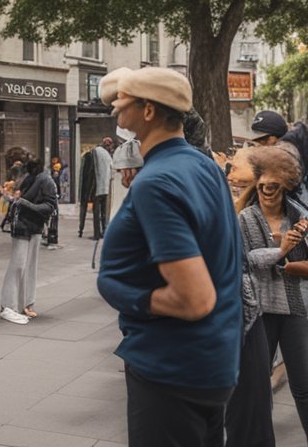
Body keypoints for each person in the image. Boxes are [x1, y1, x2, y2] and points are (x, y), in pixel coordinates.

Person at [96, 67, 241, 447]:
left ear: (148, 111)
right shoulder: (205, 166)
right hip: (211, 362)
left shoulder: (157, 181)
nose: (114, 109)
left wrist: (126, 295)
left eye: (122, 102)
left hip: (171, 366)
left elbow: (194, 299)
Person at [237, 145, 308, 438]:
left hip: (296, 310)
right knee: (255, 388)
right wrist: (281, 250)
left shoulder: (301, 217)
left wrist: (289, 256)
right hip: (259, 311)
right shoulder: (246, 218)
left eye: (274, 186)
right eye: (263, 185)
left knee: (304, 388)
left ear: (285, 185)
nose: (267, 190)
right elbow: (248, 260)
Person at [224, 148, 276, 447]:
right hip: (247, 313)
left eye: (237, 162)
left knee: (249, 405)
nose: (230, 169)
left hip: (247, 315)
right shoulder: (238, 207)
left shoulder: (250, 212)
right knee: (248, 405)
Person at [0, 157, 57, 324]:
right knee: (20, 265)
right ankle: (12, 305)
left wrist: (25, 204)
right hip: (24, 225)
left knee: (25, 265)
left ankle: (20, 304)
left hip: (31, 225)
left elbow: (49, 205)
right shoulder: (30, 179)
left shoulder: (43, 180)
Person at [79, 137, 114, 239]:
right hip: (106, 188)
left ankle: (96, 234)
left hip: (97, 187)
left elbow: (89, 171)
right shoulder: (108, 155)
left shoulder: (95, 152)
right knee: (103, 211)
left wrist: (87, 190)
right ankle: (104, 231)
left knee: (96, 211)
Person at [45, 157, 64, 248]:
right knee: (53, 219)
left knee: (52, 220)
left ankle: (51, 239)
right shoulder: (51, 179)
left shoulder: (52, 177)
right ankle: (52, 240)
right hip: (52, 199)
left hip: (52, 198)